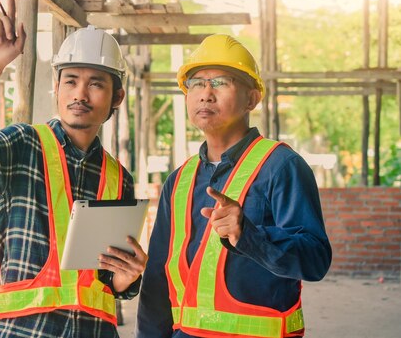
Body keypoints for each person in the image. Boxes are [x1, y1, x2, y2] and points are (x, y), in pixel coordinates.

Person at [0, 0, 147, 338]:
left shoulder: (118, 179)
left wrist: (128, 278)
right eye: (71, 80)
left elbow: (109, 280)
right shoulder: (24, 147)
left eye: (96, 83)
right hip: (27, 332)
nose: (80, 93)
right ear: (56, 87)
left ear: (117, 98)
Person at [136, 34, 332, 338]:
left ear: (251, 99)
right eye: (197, 83)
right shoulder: (178, 180)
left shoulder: (281, 166)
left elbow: (315, 260)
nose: (205, 94)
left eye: (221, 82)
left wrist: (250, 237)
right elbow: (158, 281)